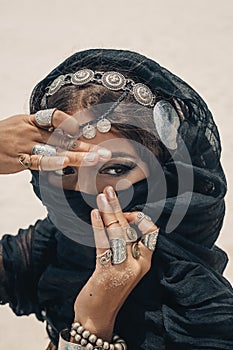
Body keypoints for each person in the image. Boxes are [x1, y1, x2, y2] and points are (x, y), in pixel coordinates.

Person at [0, 48, 233, 350]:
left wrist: (92, 322)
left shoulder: (204, 313)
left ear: (166, 172)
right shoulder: (52, 247)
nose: (91, 193)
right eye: (67, 169)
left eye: (115, 169)